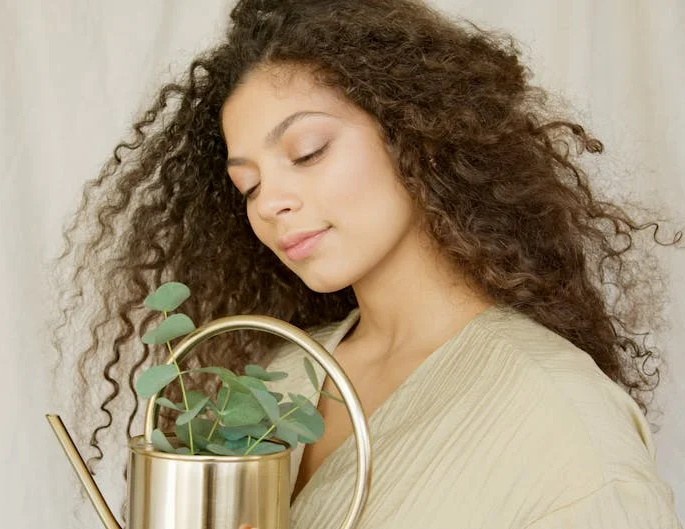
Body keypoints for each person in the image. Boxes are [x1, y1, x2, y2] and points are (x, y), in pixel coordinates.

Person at [53, 0, 683, 527]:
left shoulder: (558, 416)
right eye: (247, 186)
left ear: (417, 134)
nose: (271, 202)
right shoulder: (285, 373)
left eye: (307, 151)